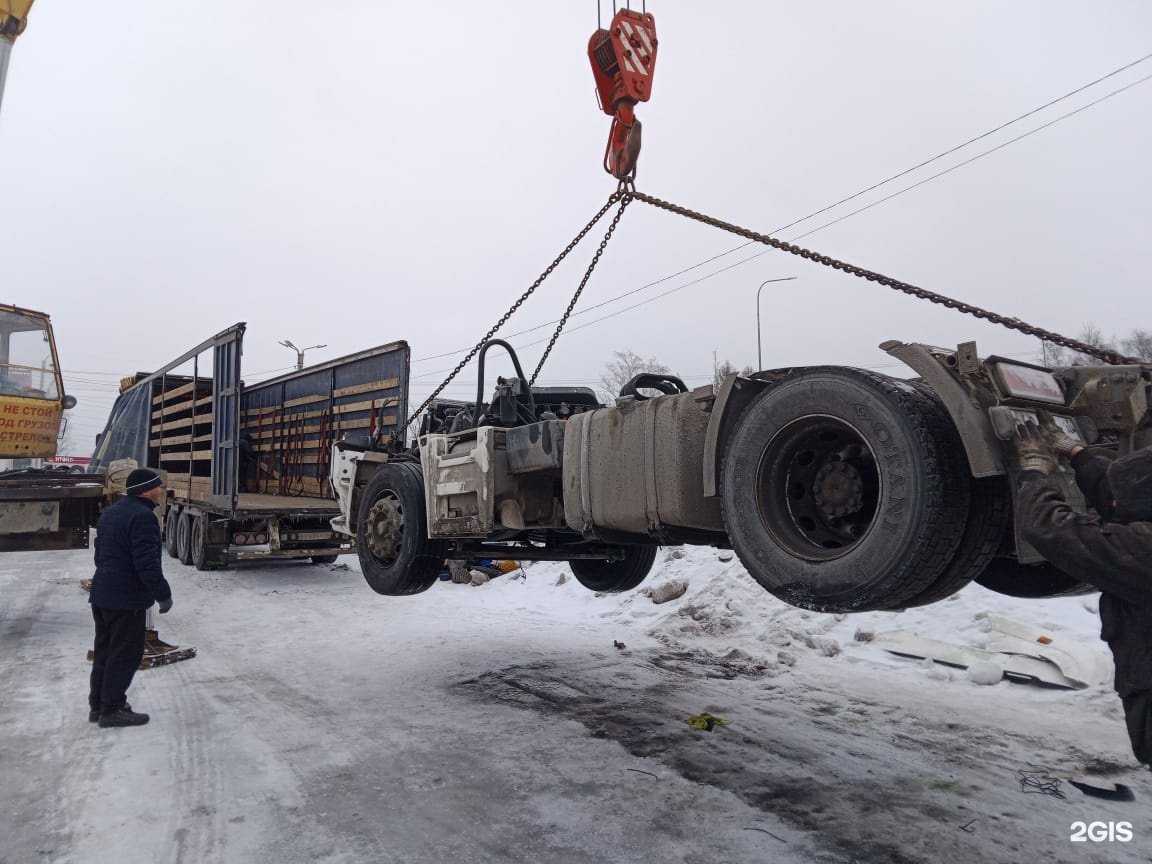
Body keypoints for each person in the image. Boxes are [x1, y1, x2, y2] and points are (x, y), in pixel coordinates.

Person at [1012, 419, 1152, 767]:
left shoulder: (1142, 550)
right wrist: (1077, 454)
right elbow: (1120, 495)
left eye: (1118, 501)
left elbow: (1050, 528)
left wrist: (1034, 473)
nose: (1112, 504)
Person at [88, 467, 174, 728]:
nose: (161, 490)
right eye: (158, 486)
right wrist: (163, 595)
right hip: (126, 600)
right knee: (125, 653)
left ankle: (98, 706)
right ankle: (112, 709)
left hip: (102, 595)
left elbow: (99, 555)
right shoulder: (143, 518)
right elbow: (147, 564)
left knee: (105, 651)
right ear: (147, 489)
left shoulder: (111, 513)